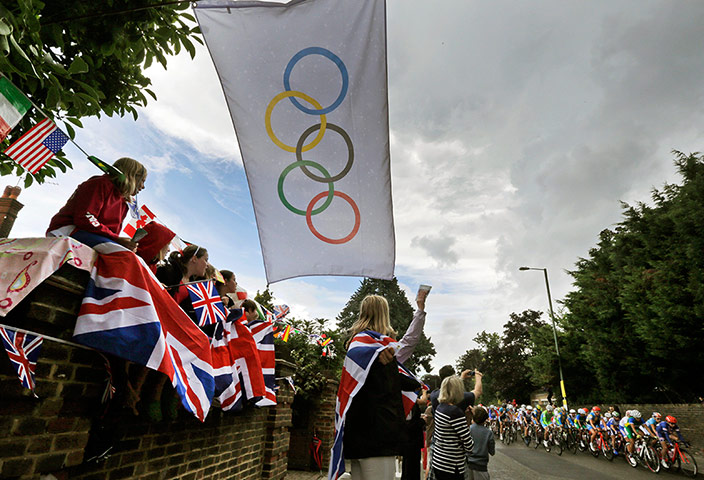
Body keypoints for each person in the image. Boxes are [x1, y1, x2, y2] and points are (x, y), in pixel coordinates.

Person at [342, 294, 425, 480]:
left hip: (358, 435)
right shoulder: (369, 347)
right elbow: (408, 342)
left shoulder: (359, 344)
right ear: (384, 314)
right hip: (378, 436)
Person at [47, 157, 147, 250]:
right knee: (123, 256)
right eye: (142, 181)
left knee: (128, 257)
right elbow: (85, 218)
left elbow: (112, 233)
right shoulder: (100, 184)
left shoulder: (124, 203)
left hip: (92, 234)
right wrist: (116, 239)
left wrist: (121, 242)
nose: (143, 187)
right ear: (131, 176)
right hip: (69, 228)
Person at [431, 376, 474, 480]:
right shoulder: (455, 412)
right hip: (452, 465)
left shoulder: (440, 407)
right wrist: (469, 420)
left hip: (438, 461)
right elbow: (469, 445)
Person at [466, 406, 494, 480]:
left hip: (468, 465)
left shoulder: (468, 429)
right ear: (485, 419)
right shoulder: (489, 433)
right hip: (481, 467)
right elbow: (492, 452)